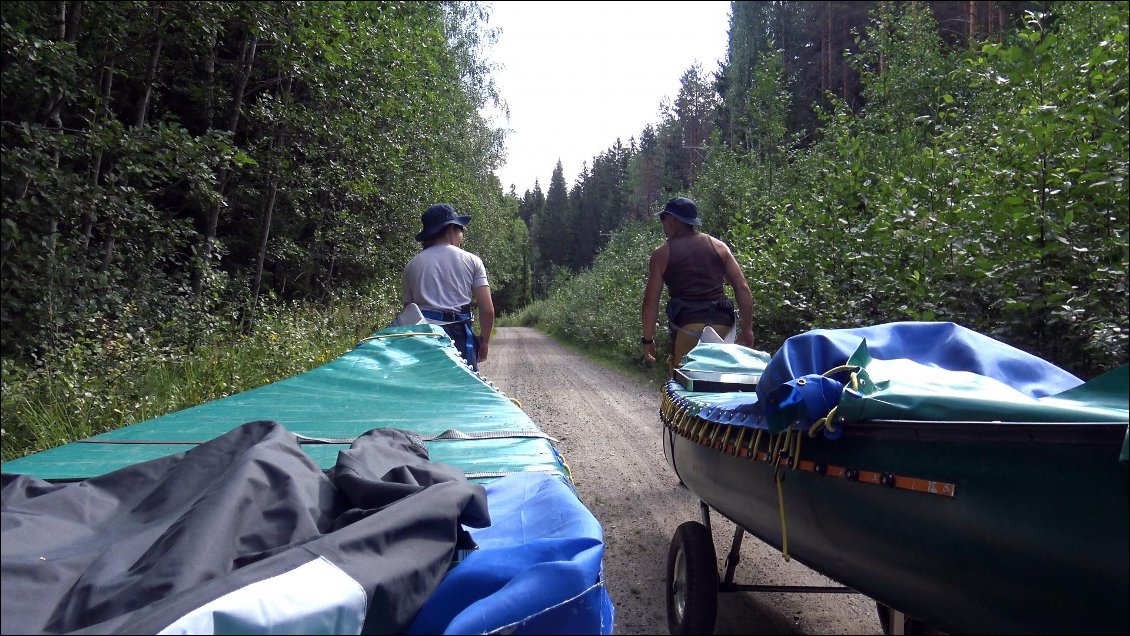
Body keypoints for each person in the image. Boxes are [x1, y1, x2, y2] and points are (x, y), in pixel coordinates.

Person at [640, 196, 754, 377]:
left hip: (688, 328)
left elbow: (650, 302)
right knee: (721, 380)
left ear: (674, 220)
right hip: (723, 327)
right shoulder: (719, 247)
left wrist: (647, 340)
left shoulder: (662, 254)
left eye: (663, 219)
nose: (662, 225)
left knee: (684, 384)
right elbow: (742, 287)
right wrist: (747, 329)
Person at [403, 203, 495, 371]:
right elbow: (487, 310)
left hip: (423, 337)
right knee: (463, 388)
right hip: (459, 337)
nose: (462, 236)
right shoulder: (472, 261)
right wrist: (485, 342)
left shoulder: (411, 266)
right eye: (461, 230)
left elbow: (409, 313)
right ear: (451, 229)